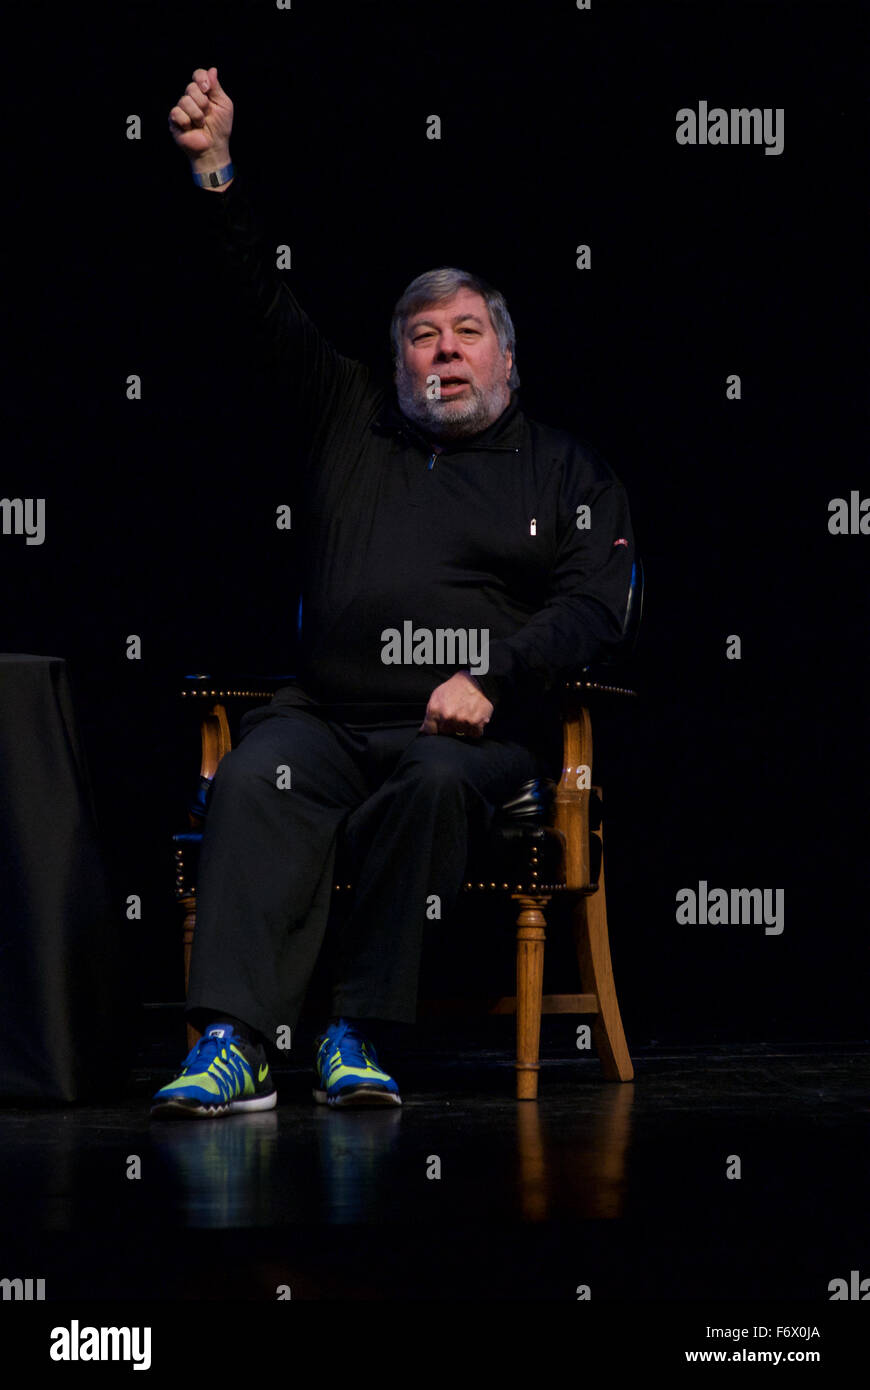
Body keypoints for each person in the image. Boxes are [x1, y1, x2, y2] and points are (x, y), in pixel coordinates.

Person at [151, 66, 635, 1118]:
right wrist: (216, 172)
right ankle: (235, 1042)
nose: (443, 351)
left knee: (424, 784)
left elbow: (600, 606)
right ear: (398, 358)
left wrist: (495, 674)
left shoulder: (564, 469)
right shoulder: (348, 414)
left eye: (466, 332)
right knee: (251, 777)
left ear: (507, 358)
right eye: (422, 334)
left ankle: (354, 1032)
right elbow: (256, 301)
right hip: (327, 717)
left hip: (465, 731)